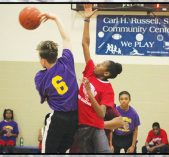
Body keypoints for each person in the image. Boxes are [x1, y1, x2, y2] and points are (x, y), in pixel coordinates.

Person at [70, 4, 122, 153]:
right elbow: (84, 44)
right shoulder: (90, 70)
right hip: (82, 126)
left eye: (101, 64)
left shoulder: (108, 89)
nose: (97, 63)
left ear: (106, 73)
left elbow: (101, 114)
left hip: (97, 127)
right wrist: (86, 20)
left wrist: (89, 92)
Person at [34, 13, 79, 153]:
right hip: (75, 118)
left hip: (58, 118)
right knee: (63, 152)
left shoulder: (40, 77)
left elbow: (45, 97)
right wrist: (56, 18)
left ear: (42, 60)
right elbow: (66, 38)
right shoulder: (67, 61)